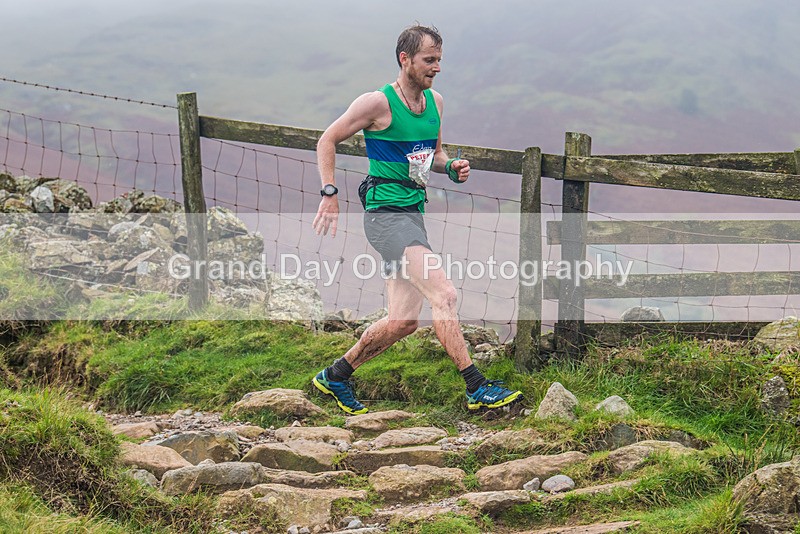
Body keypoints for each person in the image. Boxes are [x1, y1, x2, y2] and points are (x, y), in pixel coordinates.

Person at [311, 24, 522, 415]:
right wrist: (329, 192)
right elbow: (327, 139)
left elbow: (434, 157)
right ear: (405, 58)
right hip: (385, 216)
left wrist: (451, 167)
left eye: (439, 59)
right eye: (429, 59)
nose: (437, 67)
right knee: (444, 295)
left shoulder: (435, 103)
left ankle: (335, 376)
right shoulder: (377, 103)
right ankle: (476, 387)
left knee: (403, 322)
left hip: (413, 214)